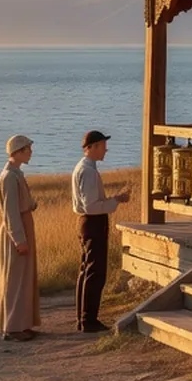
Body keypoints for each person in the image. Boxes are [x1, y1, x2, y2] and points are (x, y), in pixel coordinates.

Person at [71, 130, 130, 333]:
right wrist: (115, 201)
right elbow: (91, 206)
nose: (106, 149)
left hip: (88, 222)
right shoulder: (87, 171)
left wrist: (113, 199)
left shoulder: (84, 168)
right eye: (103, 145)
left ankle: (83, 318)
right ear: (93, 147)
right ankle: (88, 320)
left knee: (86, 270)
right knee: (94, 272)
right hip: (93, 222)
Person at [0, 135, 41, 342]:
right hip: (18, 231)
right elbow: (10, 212)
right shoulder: (9, 177)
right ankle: (12, 327)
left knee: (24, 278)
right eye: (28, 149)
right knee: (15, 279)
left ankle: (22, 324)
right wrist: (19, 239)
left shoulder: (16, 174)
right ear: (18, 151)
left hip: (24, 227)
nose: (31, 152)